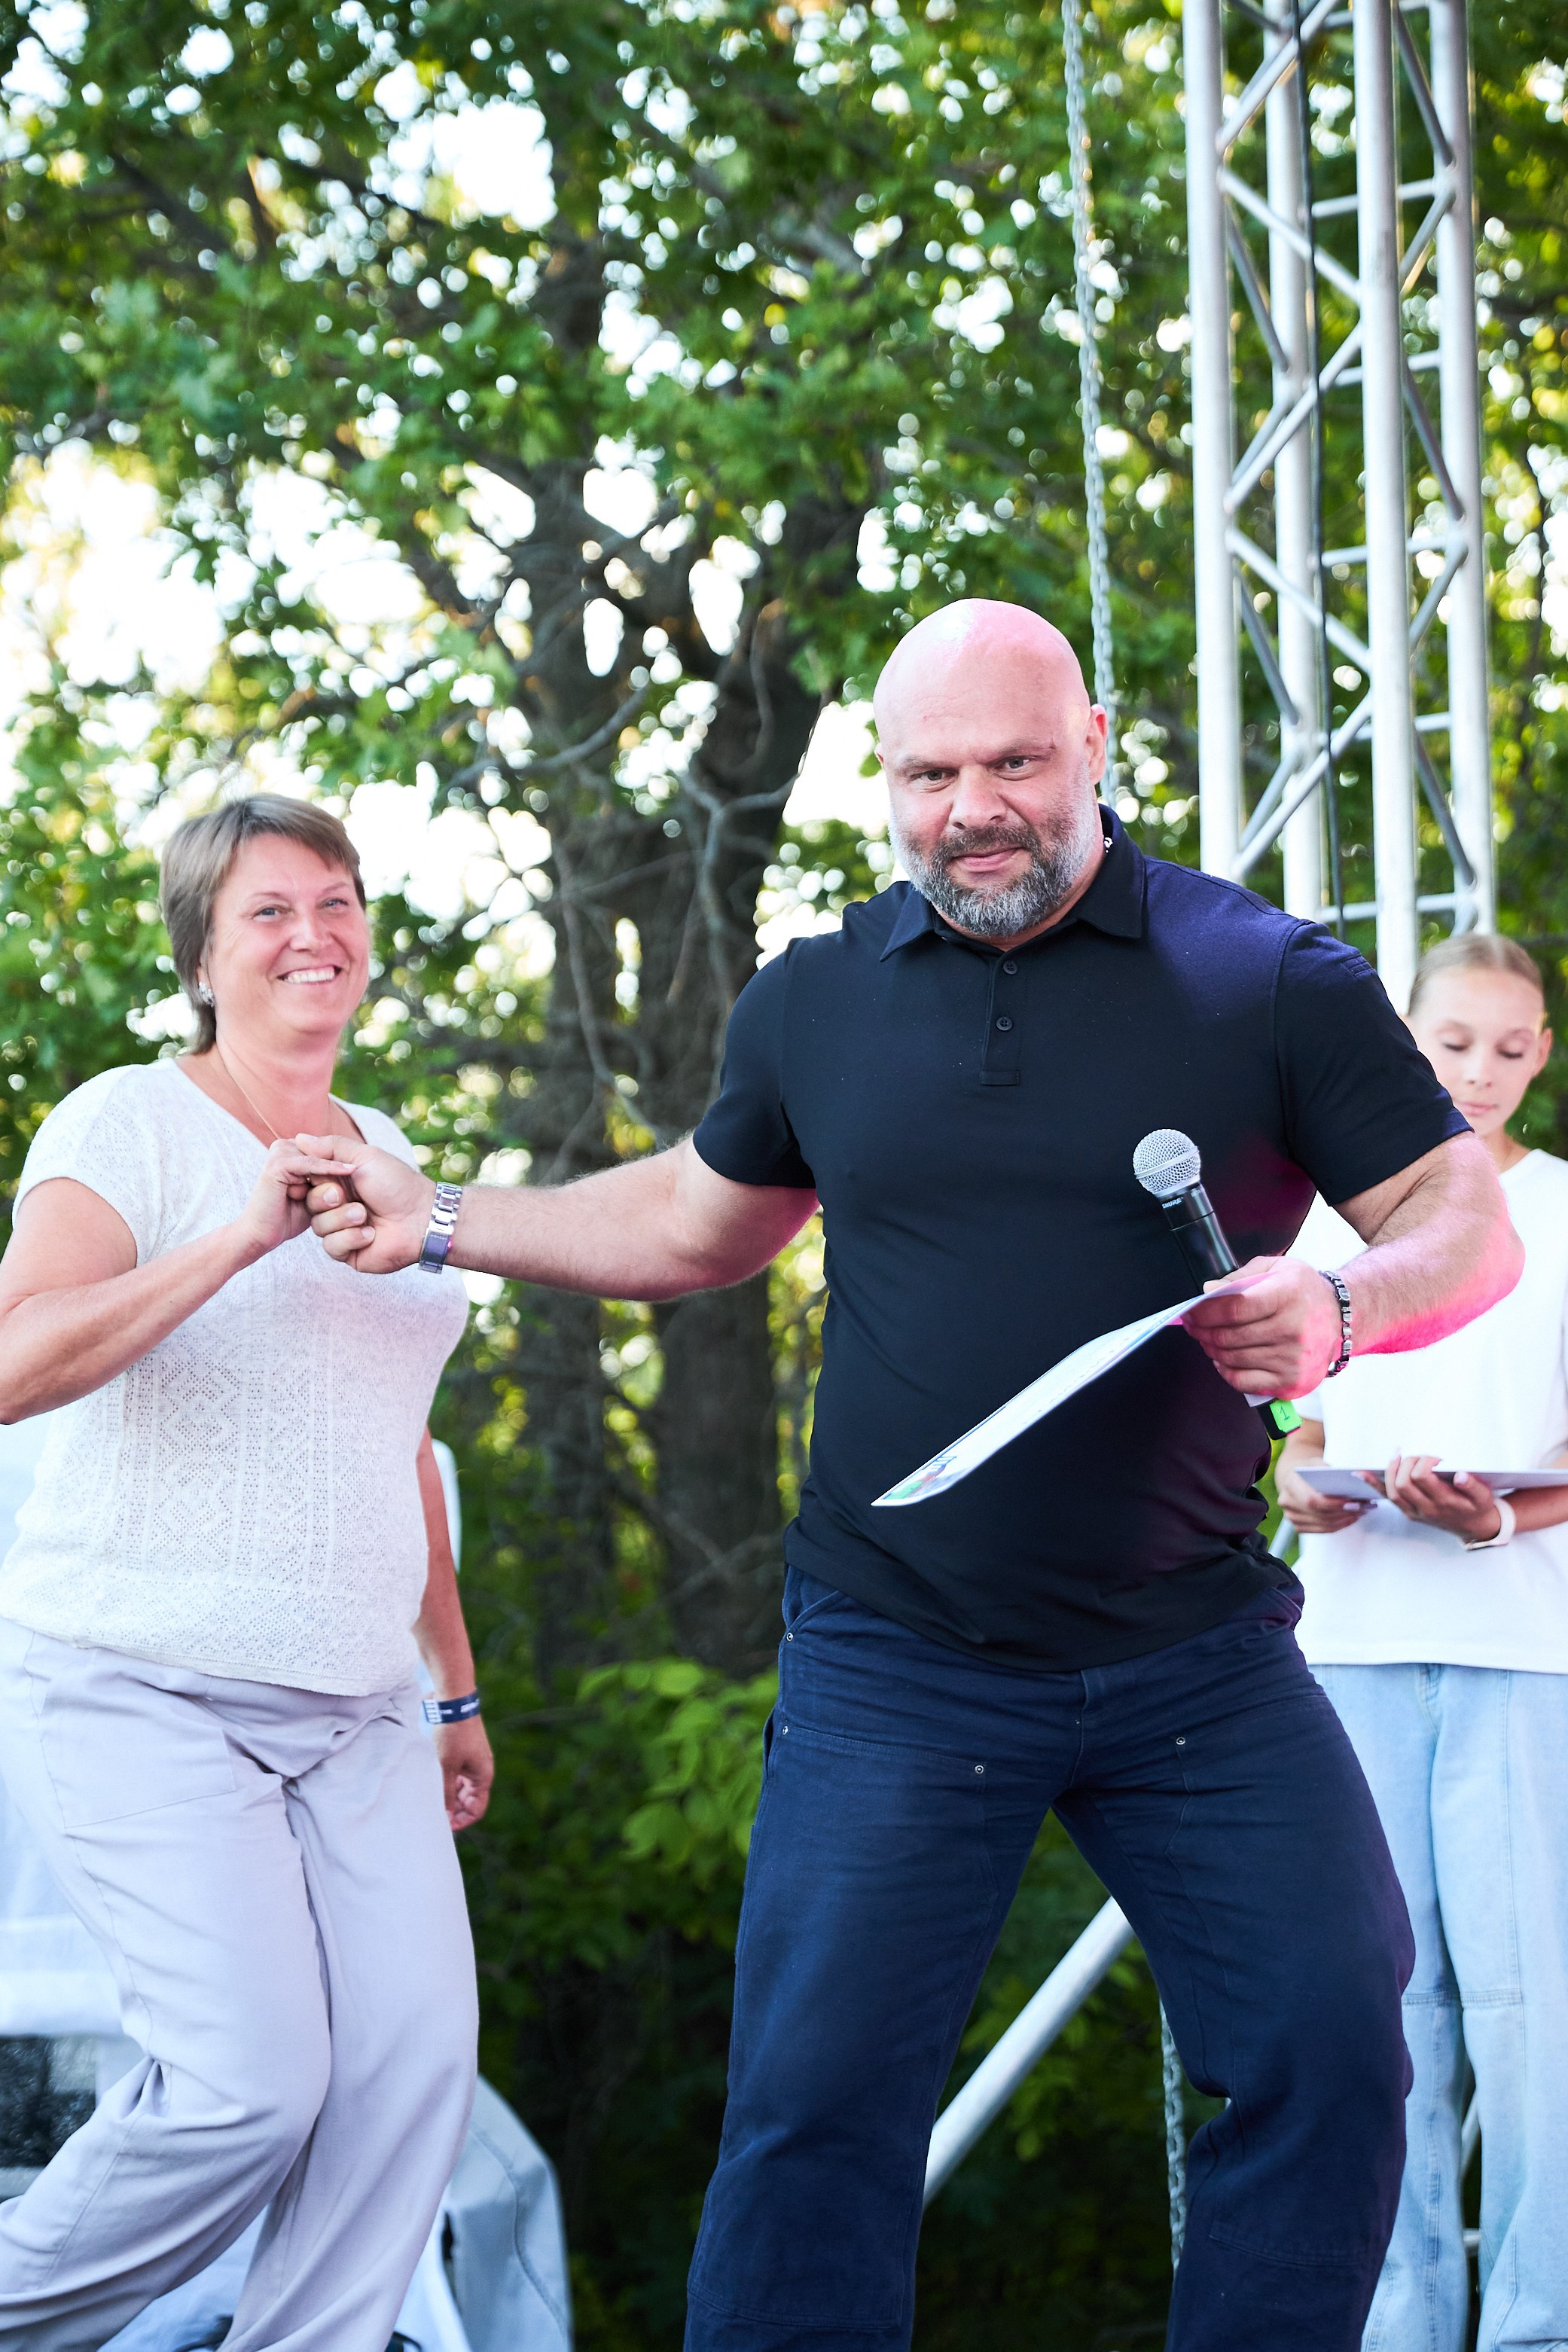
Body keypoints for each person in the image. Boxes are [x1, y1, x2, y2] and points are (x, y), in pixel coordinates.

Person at [300, 602, 1521, 2352]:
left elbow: (1461, 1226)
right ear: (884, 784)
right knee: (811, 2117)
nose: (973, 807)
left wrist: (1340, 1306)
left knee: (1333, 2041)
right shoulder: (817, 997)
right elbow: (692, 1221)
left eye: (1013, 761)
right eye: (929, 773)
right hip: (900, 1653)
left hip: (1198, 1653)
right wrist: (432, 1216)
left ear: (1093, 741)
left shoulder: (1264, 976)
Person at [0, 795, 490, 2352]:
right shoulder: (119, 1121)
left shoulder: (399, 1156)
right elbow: (13, 1362)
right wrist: (239, 1230)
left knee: (411, 2072)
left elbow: (392, 1441)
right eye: (270, 908)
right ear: (204, 952)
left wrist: (456, 1686)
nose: (314, 931)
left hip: (362, 1705)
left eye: (337, 900)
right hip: (141, 1681)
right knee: (249, 2082)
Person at [1277, 934, 1568, 2352]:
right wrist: (1304, 1486)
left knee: (1531, 2015)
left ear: (1541, 1052)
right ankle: (1390, 2328)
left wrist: (1494, 1522)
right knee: (1377, 2016)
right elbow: (1301, 1429)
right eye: (1455, 1042)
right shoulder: (1334, 1220)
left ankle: (1533, 2329)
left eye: (1510, 1048)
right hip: (1353, 1646)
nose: (1480, 1071)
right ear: (1407, 1037)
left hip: (1526, 1651)